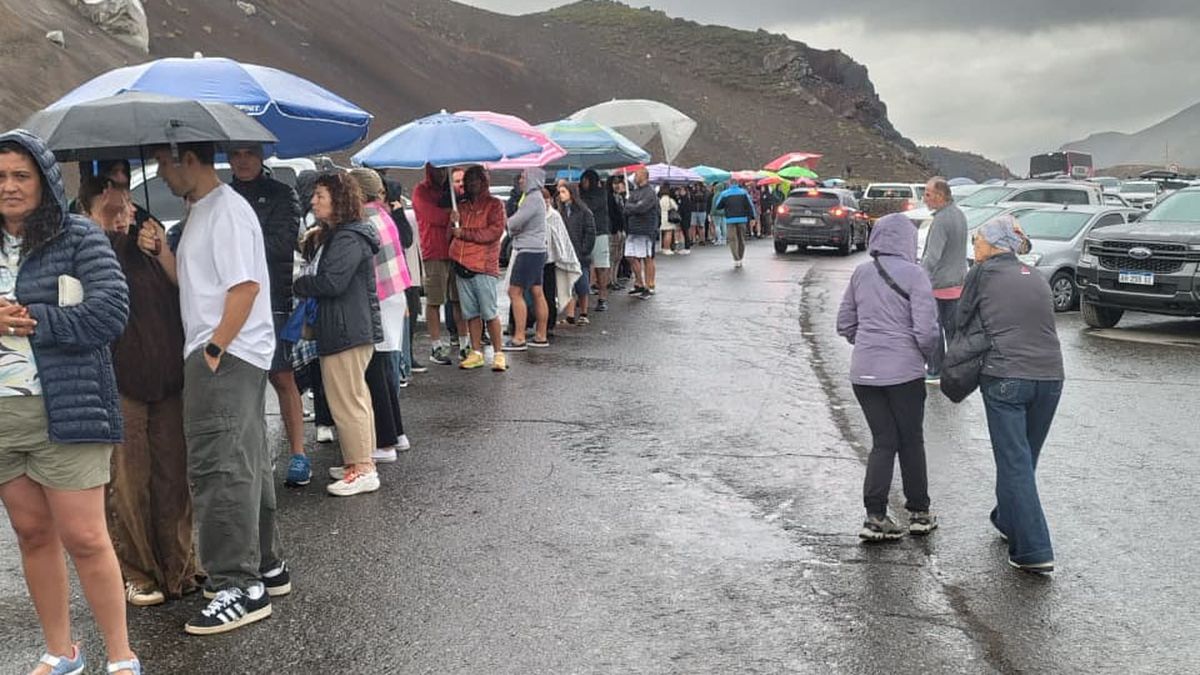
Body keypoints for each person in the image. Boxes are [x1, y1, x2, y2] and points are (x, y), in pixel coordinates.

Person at [0, 131, 141, 674]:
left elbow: (109, 314)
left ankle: (121, 655)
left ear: (43, 180)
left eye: (21, 175)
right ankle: (61, 652)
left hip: (70, 408)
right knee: (32, 534)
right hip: (5, 417)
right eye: (2, 177)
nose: (10, 187)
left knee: (85, 537)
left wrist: (35, 321)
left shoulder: (77, 235)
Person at [140, 140, 287, 636]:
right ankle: (265, 566)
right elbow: (196, 283)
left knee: (218, 466)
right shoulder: (203, 212)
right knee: (245, 460)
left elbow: (244, 287)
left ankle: (236, 584)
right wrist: (163, 252)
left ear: (189, 158)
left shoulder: (226, 211)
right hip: (231, 353)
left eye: (164, 161)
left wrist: (215, 349)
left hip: (224, 356)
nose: (161, 172)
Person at [80, 176, 200, 609]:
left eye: (129, 201)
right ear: (93, 207)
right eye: (115, 203)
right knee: (129, 482)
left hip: (168, 375)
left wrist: (161, 248)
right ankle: (137, 572)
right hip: (120, 379)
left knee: (173, 475)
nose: (126, 209)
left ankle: (180, 565)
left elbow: (184, 287)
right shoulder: (89, 247)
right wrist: (101, 229)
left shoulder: (149, 241)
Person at [950, 215, 1064, 574]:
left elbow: (959, 320)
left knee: (1014, 462)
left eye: (978, 240)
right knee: (1023, 460)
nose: (975, 246)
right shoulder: (1038, 278)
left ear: (996, 244)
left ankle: (1033, 550)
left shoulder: (981, 273)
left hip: (1006, 377)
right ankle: (1006, 518)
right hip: (1050, 378)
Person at [836, 214, 941, 541]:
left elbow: (844, 323)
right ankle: (919, 513)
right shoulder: (915, 275)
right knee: (911, 439)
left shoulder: (861, 273)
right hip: (904, 373)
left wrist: (866, 342)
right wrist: (923, 356)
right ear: (908, 241)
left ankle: (875, 515)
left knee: (883, 441)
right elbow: (926, 330)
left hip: (864, 374)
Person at [293, 173, 383, 497]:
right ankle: (358, 461)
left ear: (338, 199)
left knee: (347, 401)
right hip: (347, 327)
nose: (314, 200)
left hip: (345, 329)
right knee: (354, 398)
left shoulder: (347, 238)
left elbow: (332, 282)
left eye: (320, 195)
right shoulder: (342, 234)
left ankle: (362, 468)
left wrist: (299, 282)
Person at [228, 144, 312, 487]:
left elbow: (280, 243)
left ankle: (298, 454)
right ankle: (251, 455)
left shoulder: (282, 193)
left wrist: (233, 242)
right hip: (231, 300)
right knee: (242, 382)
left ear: (261, 156)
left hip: (272, 298)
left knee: (281, 376)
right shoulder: (222, 196)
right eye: (236, 154)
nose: (243, 160)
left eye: (249, 153)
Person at [349, 168, 413, 462]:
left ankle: (385, 441)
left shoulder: (365, 220)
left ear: (359, 192)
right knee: (385, 366)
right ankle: (396, 434)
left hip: (378, 298)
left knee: (377, 370)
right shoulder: (384, 214)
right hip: (394, 295)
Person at [449, 165, 508, 372]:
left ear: (484, 182)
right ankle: (476, 352)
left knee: (489, 312)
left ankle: (499, 353)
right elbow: (453, 233)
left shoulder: (495, 205)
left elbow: (493, 232)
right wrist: (453, 223)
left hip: (483, 265)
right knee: (471, 313)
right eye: (469, 180)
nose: (471, 183)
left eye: (476, 180)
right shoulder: (461, 206)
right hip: (461, 264)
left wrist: (463, 232)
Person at [919, 176, 968, 384]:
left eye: (927, 194)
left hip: (939, 286)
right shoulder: (958, 214)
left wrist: (918, 279)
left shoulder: (941, 220)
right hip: (956, 284)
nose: (924, 199)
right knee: (953, 332)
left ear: (939, 196)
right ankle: (955, 373)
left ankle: (935, 369)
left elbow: (932, 256)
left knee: (934, 330)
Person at [412, 164, 460, 365]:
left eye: (444, 170)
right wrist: (452, 214)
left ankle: (464, 341)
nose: (441, 174)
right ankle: (436, 345)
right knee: (434, 300)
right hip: (434, 251)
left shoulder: (452, 191)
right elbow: (432, 216)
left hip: (455, 251)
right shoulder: (421, 191)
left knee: (458, 300)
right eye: (438, 170)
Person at [503, 167, 550, 351]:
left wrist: (510, 226)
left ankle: (519, 337)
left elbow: (514, 222)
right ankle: (541, 334)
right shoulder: (536, 198)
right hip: (537, 249)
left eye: (523, 177)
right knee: (537, 292)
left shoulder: (532, 199)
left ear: (531, 178)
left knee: (515, 292)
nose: (520, 180)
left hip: (528, 250)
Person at [558, 182, 596, 326]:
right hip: (566, 254)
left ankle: (584, 313)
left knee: (582, 284)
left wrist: (584, 250)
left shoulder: (584, 212)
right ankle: (570, 315)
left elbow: (590, 232)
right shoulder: (561, 212)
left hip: (580, 254)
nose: (560, 195)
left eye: (563, 192)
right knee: (568, 285)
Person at [623, 168, 659, 299]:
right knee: (630, 256)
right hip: (633, 229)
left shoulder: (650, 192)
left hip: (646, 229)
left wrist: (633, 207)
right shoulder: (634, 192)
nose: (635, 177)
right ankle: (639, 283)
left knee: (647, 257)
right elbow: (626, 208)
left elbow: (642, 208)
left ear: (645, 176)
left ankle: (650, 285)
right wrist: (634, 207)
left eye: (637, 174)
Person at [579, 170, 611, 311]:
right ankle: (581, 297)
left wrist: (578, 200)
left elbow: (590, 207)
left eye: (585, 180)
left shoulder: (600, 193)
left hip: (599, 232)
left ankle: (602, 297)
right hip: (583, 234)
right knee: (582, 267)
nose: (583, 183)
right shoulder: (580, 194)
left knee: (601, 267)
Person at [713, 180, 757, 268]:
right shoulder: (744, 193)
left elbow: (718, 205)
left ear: (730, 185)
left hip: (730, 219)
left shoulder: (724, 194)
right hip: (742, 219)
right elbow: (750, 205)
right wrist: (752, 217)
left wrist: (725, 206)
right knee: (741, 239)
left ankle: (736, 259)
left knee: (733, 240)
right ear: (738, 184)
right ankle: (741, 257)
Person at [606, 175, 628, 288]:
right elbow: (613, 215)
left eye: (618, 183)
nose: (617, 185)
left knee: (618, 256)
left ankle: (614, 279)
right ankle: (610, 280)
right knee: (613, 255)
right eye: (615, 183)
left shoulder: (619, 197)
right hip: (614, 230)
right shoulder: (609, 197)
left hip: (621, 229)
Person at [658, 185, 679, 256]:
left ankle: (664, 247)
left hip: (663, 217)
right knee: (669, 233)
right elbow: (676, 207)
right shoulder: (670, 199)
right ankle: (667, 248)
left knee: (664, 233)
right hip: (669, 218)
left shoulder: (660, 199)